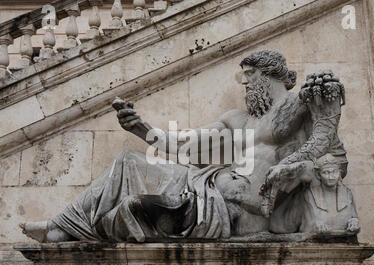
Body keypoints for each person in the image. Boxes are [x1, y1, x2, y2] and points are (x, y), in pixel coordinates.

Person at [20, 50, 347, 242]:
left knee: (137, 207)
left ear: (267, 74)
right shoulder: (237, 118)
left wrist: (296, 164)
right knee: (129, 160)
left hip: (233, 208)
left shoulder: (296, 108)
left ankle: (77, 228)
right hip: (208, 182)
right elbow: (186, 144)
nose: (244, 82)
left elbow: (329, 147)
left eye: (248, 75)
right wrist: (142, 129)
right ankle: (62, 226)